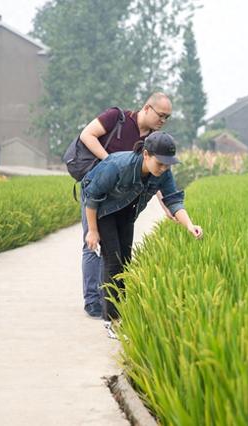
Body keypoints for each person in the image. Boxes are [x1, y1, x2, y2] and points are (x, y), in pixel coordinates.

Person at [83, 131, 203, 323]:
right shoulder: (117, 166)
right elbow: (92, 196)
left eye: (167, 164)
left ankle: (122, 309)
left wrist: (189, 225)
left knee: (125, 261)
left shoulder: (163, 173)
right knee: (113, 262)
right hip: (103, 208)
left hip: (125, 209)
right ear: (146, 154)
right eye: (160, 163)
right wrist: (93, 230)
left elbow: (173, 199)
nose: (164, 168)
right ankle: (111, 320)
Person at [80, 93, 175, 318]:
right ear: (146, 108)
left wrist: (167, 206)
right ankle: (93, 302)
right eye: (160, 115)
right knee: (93, 243)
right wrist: (110, 163)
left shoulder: (154, 140)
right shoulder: (117, 118)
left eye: (167, 118)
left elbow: (157, 176)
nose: (163, 120)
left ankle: (110, 303)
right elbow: (87, 135)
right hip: (99, 190)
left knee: (117, 255)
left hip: (121, 200)